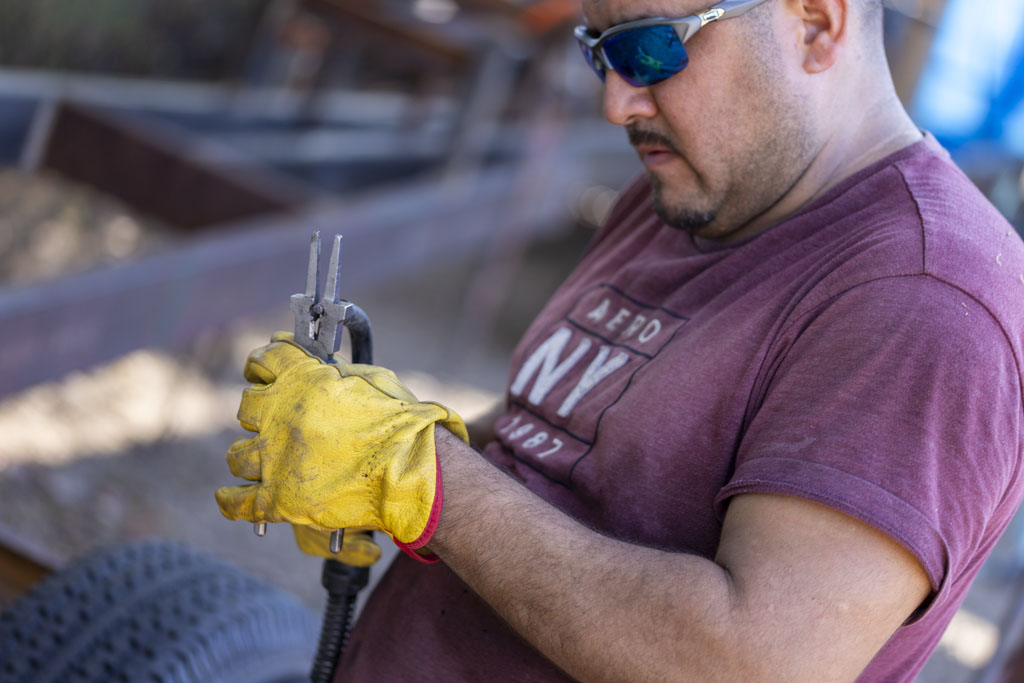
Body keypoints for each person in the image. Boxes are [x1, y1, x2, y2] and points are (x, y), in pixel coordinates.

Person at [216, 0, 1024, 680]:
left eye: (649, 49)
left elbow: (753, 661)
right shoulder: (693, 190)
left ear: (815, 24)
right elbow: (558, 448)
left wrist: (431, 487)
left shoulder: (927, 299)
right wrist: (396, 456)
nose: (617, 103)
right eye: (598, 50)